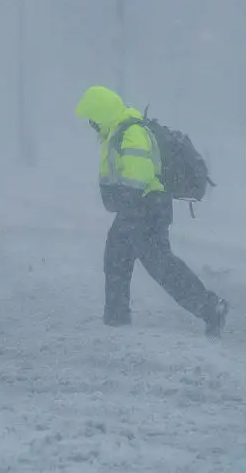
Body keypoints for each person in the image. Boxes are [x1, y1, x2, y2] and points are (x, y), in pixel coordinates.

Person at [74, 85, 229, 337]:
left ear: (103, 113)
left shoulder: (130, 132)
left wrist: (122, 198)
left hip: (145, 210)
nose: (91, 124)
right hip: (137, 211)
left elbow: (140, 177)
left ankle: (211, 307)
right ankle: (116, 318)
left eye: (93, 118)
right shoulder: (117, 132)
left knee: (161, 267)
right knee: (119, 260)